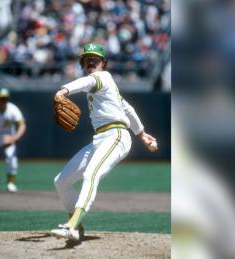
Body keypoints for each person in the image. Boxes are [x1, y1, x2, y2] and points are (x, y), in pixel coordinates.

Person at [51, 43, 158, 240]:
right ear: (83, 63)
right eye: (87, 59)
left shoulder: (102, 77)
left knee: (91, 173)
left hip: (116, 135)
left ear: (104, 63)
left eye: (95, 59)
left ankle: (71, 226)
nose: (91, 62)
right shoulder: (108, 88)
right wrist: (142, 134)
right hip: (101, 139)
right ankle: (78, 225)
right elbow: (127, 108)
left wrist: (63, 90)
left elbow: (86, 82)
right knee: (61, 181)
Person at [0, 88, 27, 192]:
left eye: (5, 99)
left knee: (11, 158)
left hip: (9, 135)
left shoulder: (12, 109)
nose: (3, 101)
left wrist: (14, 138)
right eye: (1, 98)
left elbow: (22, 125)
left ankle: (11, 183)